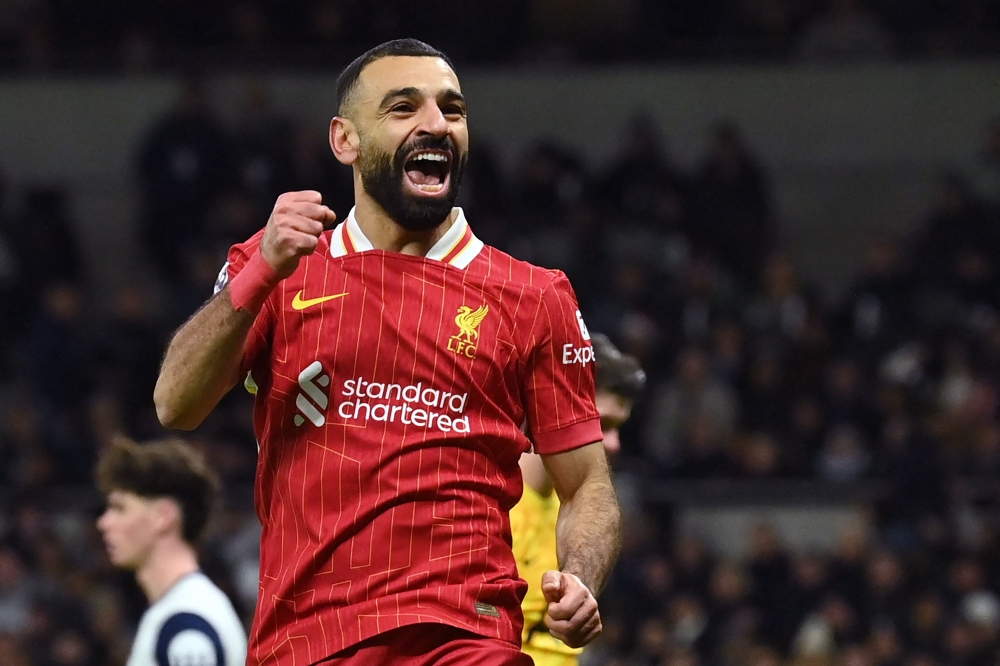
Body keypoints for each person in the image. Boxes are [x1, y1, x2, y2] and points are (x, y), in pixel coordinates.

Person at [154, 38, 621, 665]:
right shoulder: (279, 266)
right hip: (308, 640)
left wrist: (583, 576)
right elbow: (174, 404)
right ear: (345, 140)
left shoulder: (533, 296)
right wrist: (259, 272)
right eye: (404, 108)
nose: (436, 123)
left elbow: (587, 481)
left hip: (466, 637)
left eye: (451, 111)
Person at [511, 333, 645, 666]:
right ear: (553, 407)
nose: (613, 443)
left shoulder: (582, 523)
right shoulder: (490, 505)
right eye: (603, 423)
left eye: (619, 428)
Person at [95, 436, 247, 666]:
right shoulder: (176, 612)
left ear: (163, 517)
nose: (104, 523)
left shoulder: (186, 622)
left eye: (120, 508)